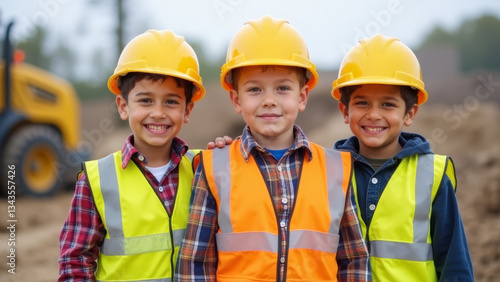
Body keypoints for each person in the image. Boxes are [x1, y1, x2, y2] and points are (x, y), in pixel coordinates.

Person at [176, 15, 371, 282]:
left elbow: (354, 260)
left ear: (302, 97)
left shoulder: (336, 169)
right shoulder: (214, 167)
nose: (269, 101)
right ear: (236, 99)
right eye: (254, 89)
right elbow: (195, 264)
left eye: (282, 88)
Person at [59, 29, 208, 281]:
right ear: (123, 106)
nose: (158, 113)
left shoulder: (204, 169)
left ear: (187, 109)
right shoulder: (96, 180)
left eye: (171, 101)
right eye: (146, 101)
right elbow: (75, 261)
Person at [331, 34, 474, 281]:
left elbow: (454, 263)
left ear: (410, 113)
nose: (374, 114)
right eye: (362, 103)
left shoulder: (433, 175)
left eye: (387, 105)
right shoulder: (328, 173)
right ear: (345, 110)